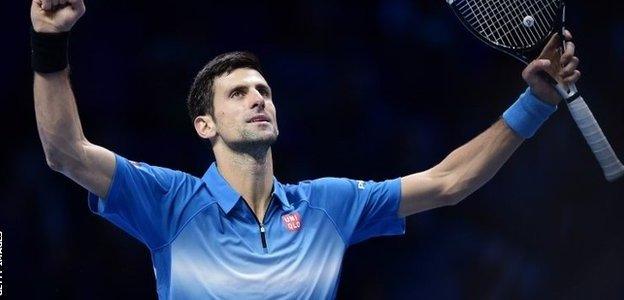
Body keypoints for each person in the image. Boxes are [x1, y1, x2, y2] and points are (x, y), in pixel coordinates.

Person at [31, 0, 581, 299]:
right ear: (205, 125)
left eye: (264, 91)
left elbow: (447, 182)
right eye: (238, 93)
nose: (258, 99)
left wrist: (533, 103)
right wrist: (49, 41)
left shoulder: (328, 207)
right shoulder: (169, 202)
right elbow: (66, 152)